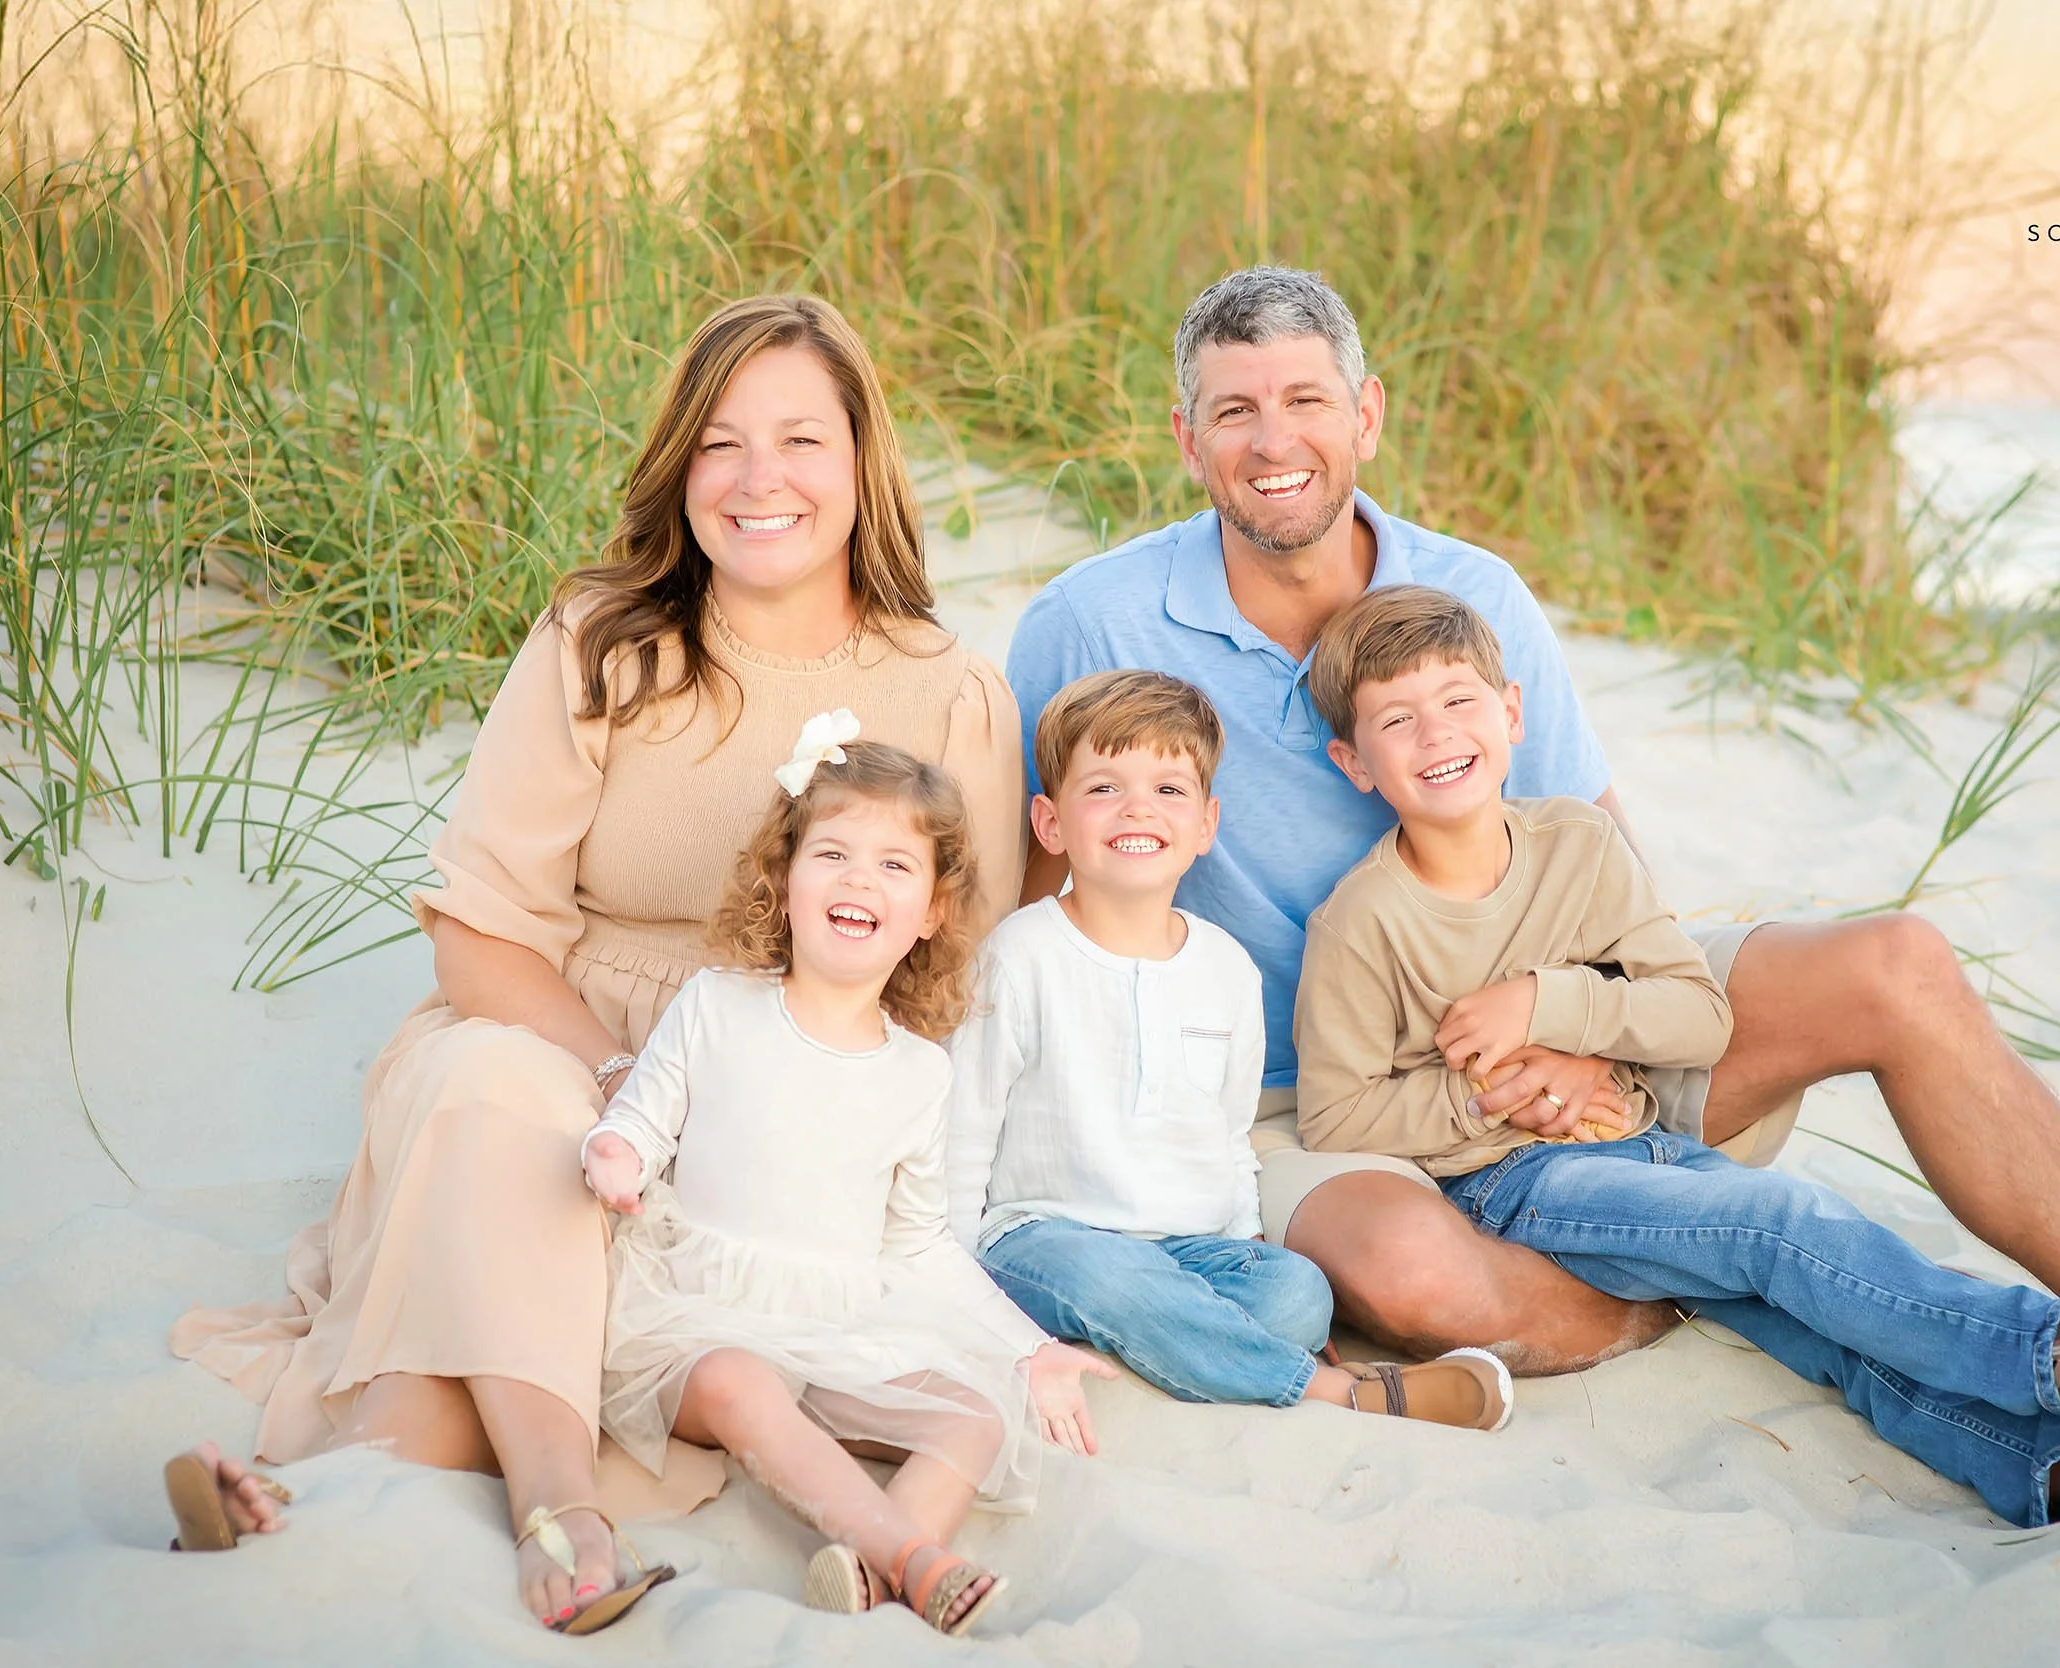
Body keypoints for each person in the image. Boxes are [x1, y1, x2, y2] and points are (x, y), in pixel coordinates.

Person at [1001, 265, 2060, 1463]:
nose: (1274, 439)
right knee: (1422, 1278)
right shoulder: (1091, 620)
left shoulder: (1473, 596)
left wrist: (1584, 1044)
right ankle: (1678, 1287)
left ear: (1364, 415)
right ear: (1188, 440)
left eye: (1307, 399)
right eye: (1235, 411)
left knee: (1896, 963)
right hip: (1319, 1107)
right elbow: (1027, 890)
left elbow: (1604, 860)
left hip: (1572, 1037)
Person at [167, 293, 1037, 1632]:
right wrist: (635, 1077)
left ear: (863, 463)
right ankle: (565, 1515)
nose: (760, 481)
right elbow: (481, 928)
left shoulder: (948, 689)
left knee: (525, 1345)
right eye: (720, 445)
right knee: (503, 1108)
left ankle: (300, 1499)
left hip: (791, 1094)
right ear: (679, 466)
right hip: (559, 1038)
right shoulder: (604, 640)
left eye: (801, 440)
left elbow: (951, 974)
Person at [1290, 585, 2060, 1524]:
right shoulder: (1364, 920)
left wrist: (1550, 1007)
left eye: (1458, 701)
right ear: (1353, 762)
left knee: (1817, 1321)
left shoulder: (1576, 844)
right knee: (1777, 1221)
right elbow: (1336, 1116)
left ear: (1512, 713)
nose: (1435, 734)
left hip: (1641, 1143)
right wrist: (1490, 1102)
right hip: (1516, 1187)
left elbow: (1694, 1015)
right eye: (1395, 718)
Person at [581, 725, 1112, 1637]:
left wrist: (1029, 1350)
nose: (860, 880)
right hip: (699, 1314)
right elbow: (644, 1111)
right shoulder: (720, 1004)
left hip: (834, 1322)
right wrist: (614, 1153)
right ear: (785, 881)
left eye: (895, 867)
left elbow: (919, 1245)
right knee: (744, 1385)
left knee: (973, 1417)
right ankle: (917, 1561)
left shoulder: (918, 1073)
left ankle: (869, 1576)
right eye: (832, 854)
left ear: (932, 914)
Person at [944, 670, 1512, 1429]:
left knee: (1299, 1296)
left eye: (1169, 791)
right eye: (1104, 788)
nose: (1138, 808)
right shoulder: (1019, 956)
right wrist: (954, 1283)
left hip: (1191, 1244)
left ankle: (1173, 1343)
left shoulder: (1224, 969)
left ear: (1207, 824)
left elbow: (1226, 1131)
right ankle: (1333, 1392)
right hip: (1048, 1236)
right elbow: (965, 1128)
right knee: (1111, 1281)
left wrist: (1245, 1235)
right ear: (1050, 823)